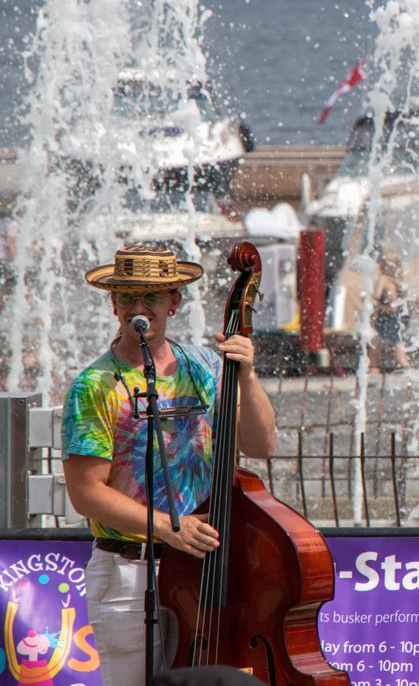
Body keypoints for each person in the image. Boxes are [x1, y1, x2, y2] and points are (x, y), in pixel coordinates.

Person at [61, 244, 277, 686]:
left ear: (174, 303)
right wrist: (164, 526)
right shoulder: (94, 385)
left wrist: (248, 376)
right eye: (127, 297)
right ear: (114, 303)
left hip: (203, 569)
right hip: (129, 572)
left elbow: (261, 444)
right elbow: (86, 493)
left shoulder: (204, 366)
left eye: (151, 297)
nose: (138, 307)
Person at [370, 252, 409, 371]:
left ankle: (372, 376)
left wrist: (376, 304)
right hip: (395, 322)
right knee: (379, 352)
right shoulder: (399, 282)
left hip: (389, 323)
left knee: (377, 355)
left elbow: (393, 308)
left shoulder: (389, 285)